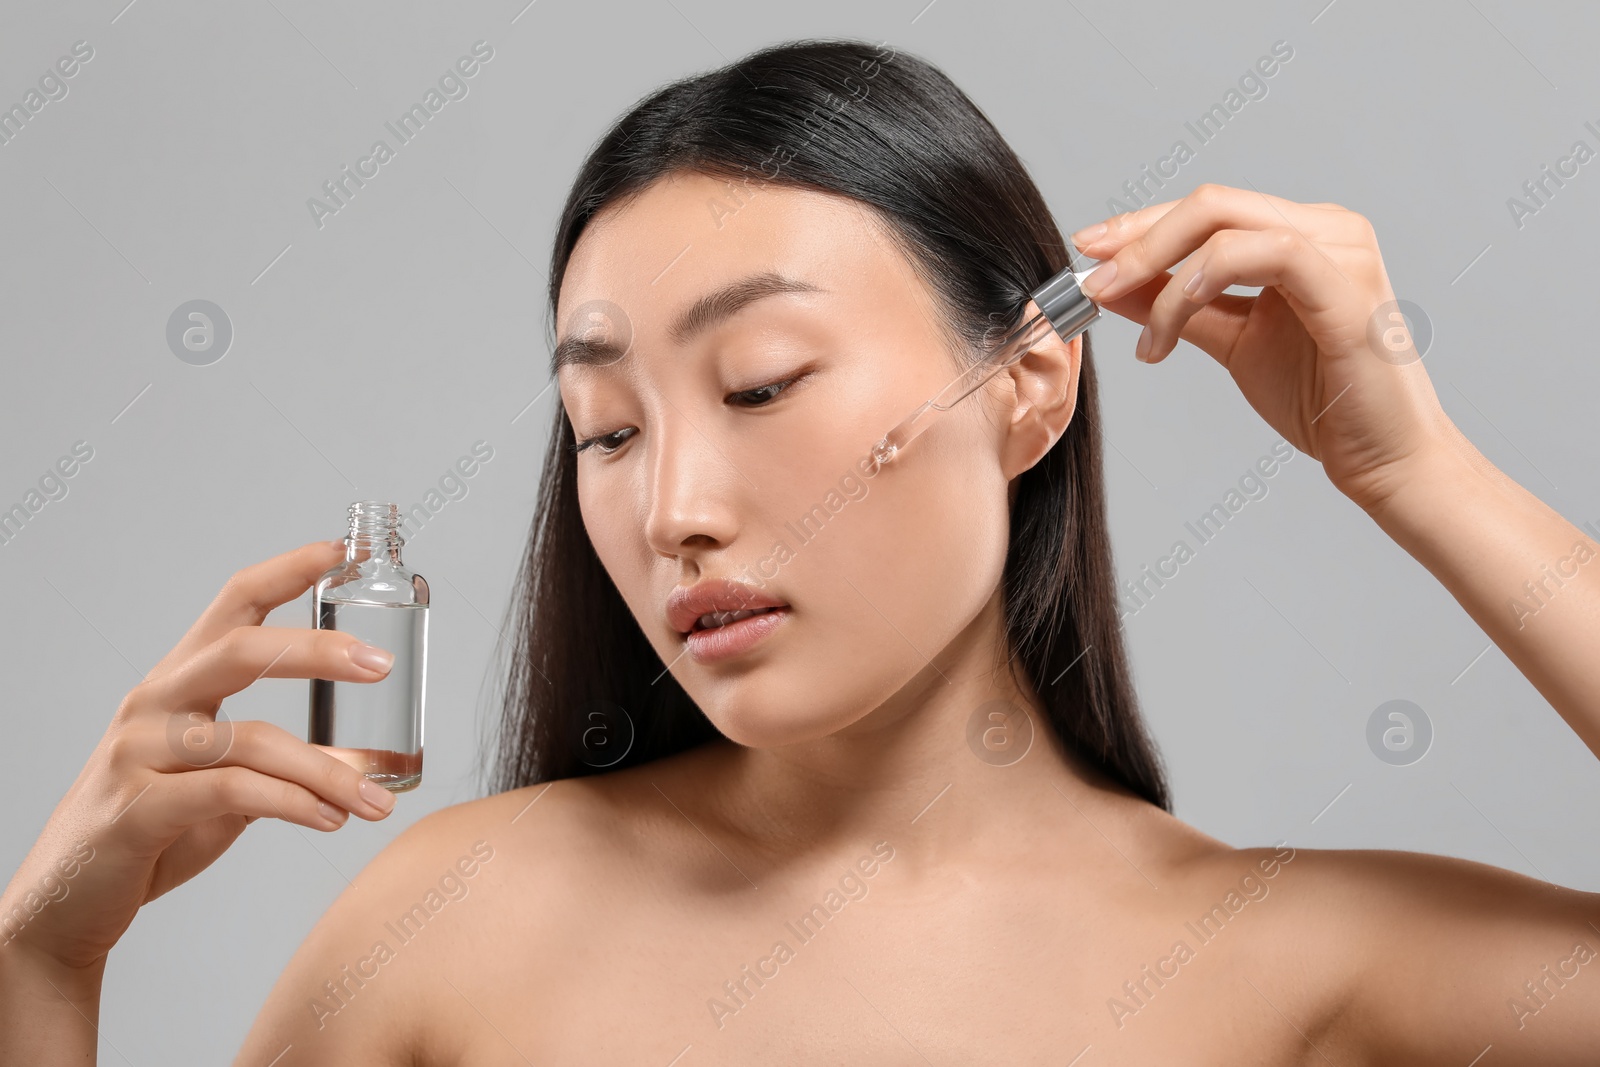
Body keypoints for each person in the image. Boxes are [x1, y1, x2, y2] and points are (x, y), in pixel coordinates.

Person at [5, 37, 1599, 1064]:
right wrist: (41, 966)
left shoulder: (1299, 966)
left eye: (762, 384)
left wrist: (1416, 472)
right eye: (607, 431)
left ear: (1030, 383)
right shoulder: (465, 919)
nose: (674, 503)